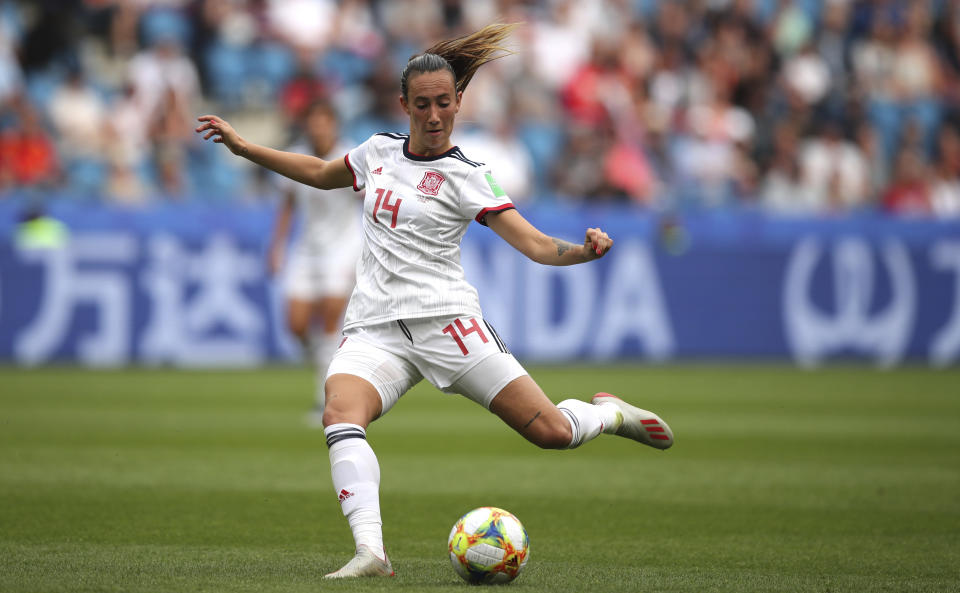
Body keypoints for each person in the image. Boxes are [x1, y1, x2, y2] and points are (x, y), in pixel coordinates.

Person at [196, 23, 674, 579]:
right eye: (421, 104)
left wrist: (583, 252)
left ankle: (608, 413)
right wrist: (243, 146)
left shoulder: (469, 177)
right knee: (339, 413)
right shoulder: (376, 152)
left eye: (443, 103)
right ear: (403, 104)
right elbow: (324, 173)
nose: (433, 115)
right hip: (375, 327)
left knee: (551, 433)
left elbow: (538, 246)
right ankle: (371, 552)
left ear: (458, 102)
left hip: (448, 324)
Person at [266, 99, 362, 423]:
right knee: (296, 325)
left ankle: (328, 399)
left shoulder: (353, 155)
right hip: (306, 249)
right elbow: (288, 204)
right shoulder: (296, 155)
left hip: (343, 247)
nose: (319, 128)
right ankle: (330, 365)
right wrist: (277, 246)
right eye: (314, 121)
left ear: (334, 124)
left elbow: (371, 198)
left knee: (331, 319)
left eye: (325, 121)